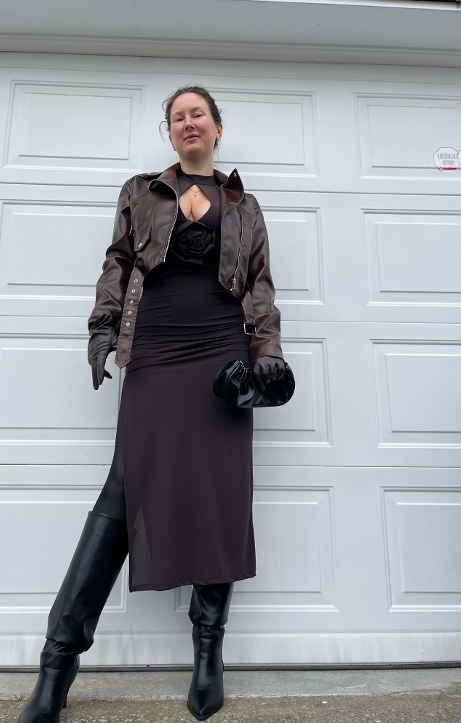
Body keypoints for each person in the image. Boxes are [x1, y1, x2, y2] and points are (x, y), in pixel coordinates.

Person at [18, 85, 285, 723]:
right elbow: (116, 263)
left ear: (217, 128)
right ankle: (57, 663)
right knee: (123, 492)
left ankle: (208, 652)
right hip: (156, 350)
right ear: (170, 133)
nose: (188, 123)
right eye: (177, 117)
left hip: (220, 355)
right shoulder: (141, 192)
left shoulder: (244, 205)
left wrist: (267, 357)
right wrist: (101, 330)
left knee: (218, 499)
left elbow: (259, 287)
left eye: (198, 114)